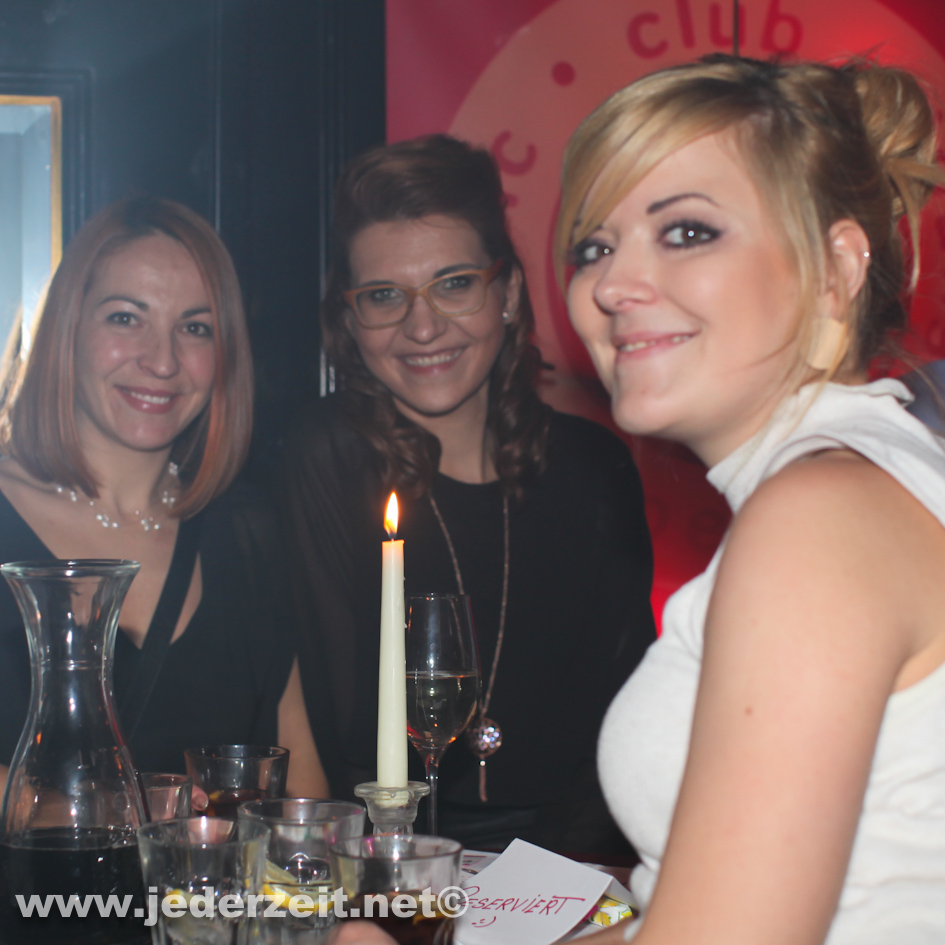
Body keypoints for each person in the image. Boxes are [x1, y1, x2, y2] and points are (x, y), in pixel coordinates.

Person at [334, 54, 945, 945]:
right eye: (595, 246)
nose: (611, 285)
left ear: (833, 267)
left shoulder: (817, 516)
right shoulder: (865, 475)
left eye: (687, 231)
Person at [279, 134, 656, 854]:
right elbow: (332, 731)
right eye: (383, 296)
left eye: (454, 284)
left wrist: (554, 887)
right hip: (389, 856)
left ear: (507, 294)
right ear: (350, 321)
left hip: (574, 862)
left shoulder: (593, 466)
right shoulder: (326, 457)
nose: (422, 327)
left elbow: (626, 716)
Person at [0, 196, 328, 798]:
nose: (162, 360)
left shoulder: (247, 530)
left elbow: (298, 768)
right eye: (126, 318)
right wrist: (117, 810)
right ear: (67, 328)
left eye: (195, 328)